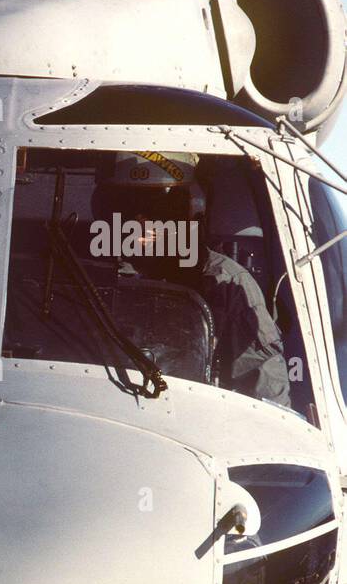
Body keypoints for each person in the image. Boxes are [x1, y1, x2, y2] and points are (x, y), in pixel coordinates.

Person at [96, 152, 291, 406]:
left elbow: (265, 391)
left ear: (188, 211)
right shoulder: (96, 276)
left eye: (155, 209)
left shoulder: (227, 283)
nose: (139, 223)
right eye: (128, 207)